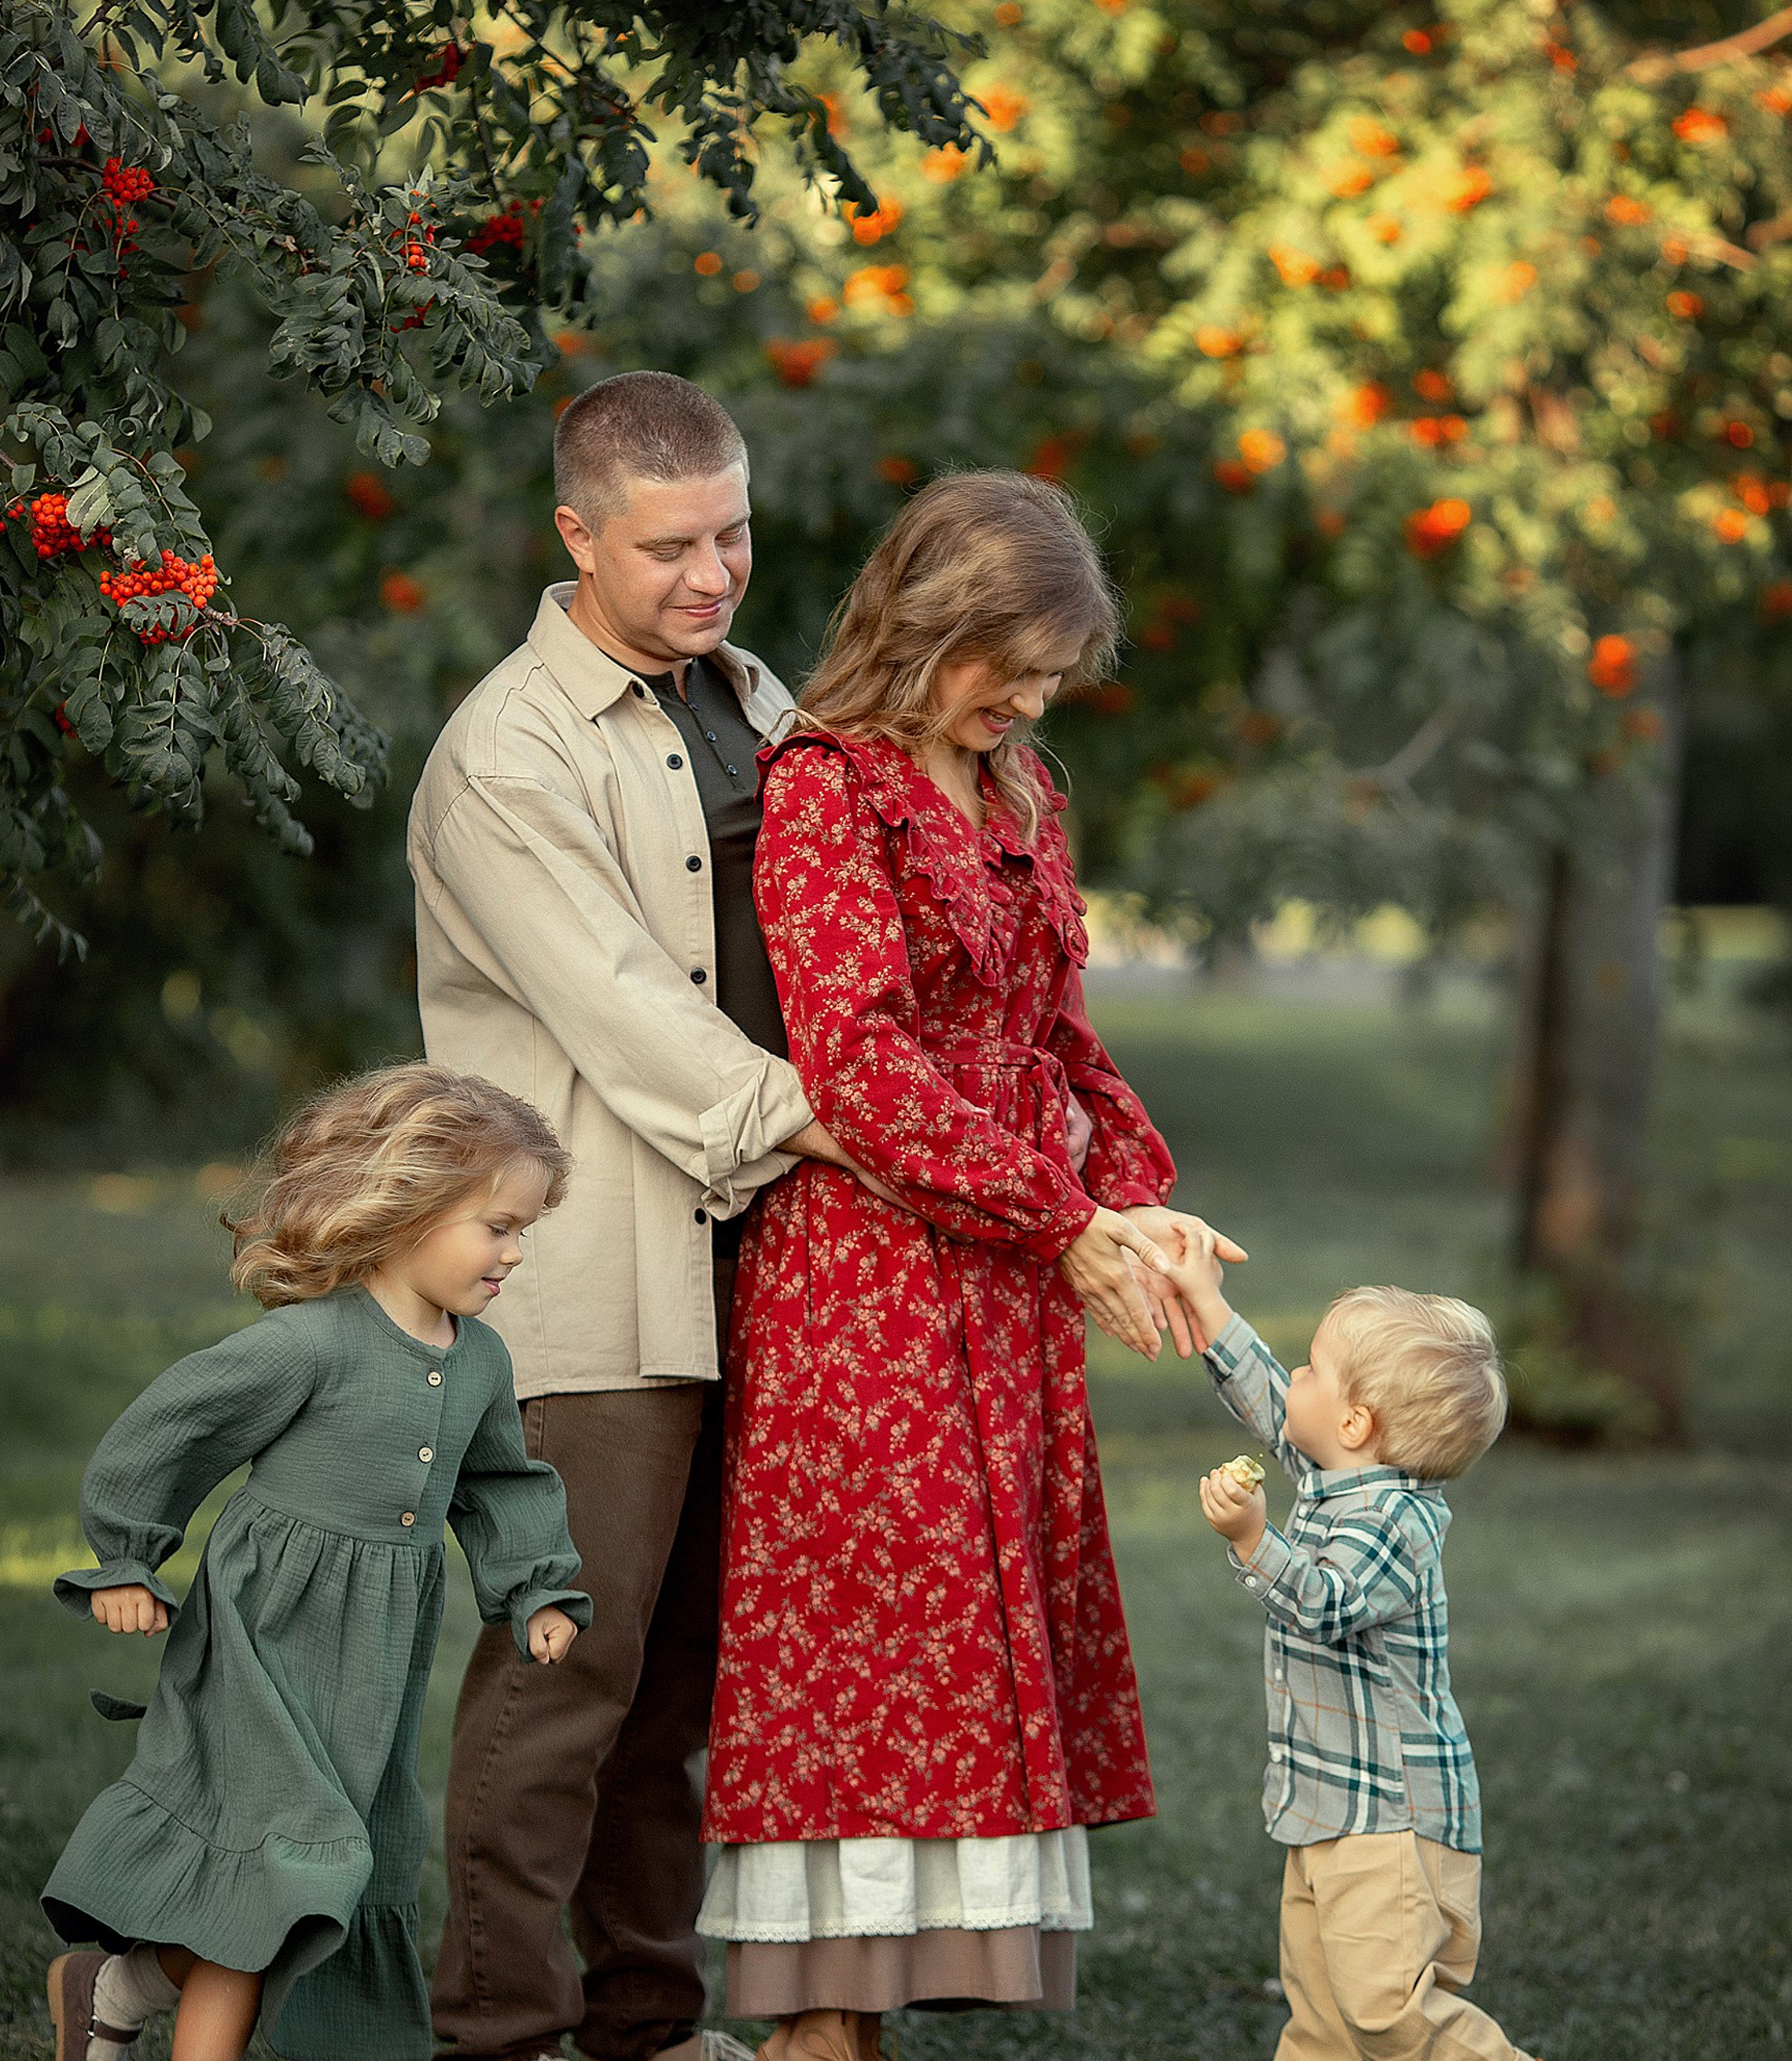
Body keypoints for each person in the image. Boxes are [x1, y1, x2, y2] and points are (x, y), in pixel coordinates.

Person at [697, 470, 1243, 2061]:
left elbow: (1060, 1034)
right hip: (866, 1273)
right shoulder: (826, 787)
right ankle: (813, 2026)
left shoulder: (1023, 791)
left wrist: (1137, 1203)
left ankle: (861, 2024)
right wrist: (1062, 1220)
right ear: (924, 620)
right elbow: (856, 1067)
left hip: (1006, 1273)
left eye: (1049, 672)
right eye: (1003, 660)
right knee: (872, 1643)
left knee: (965, 1637)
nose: (1025, 695)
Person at [409, 370, 872, 2061]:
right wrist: (849, 1124)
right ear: (574, 535)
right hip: (594, 1275)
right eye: (668, 544)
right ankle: (498, 2031)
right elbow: (623, 1010)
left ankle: (647, 2019)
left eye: (733, 532)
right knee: (565, 1677)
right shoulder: (503, 754)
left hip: (766, 1257)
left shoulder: (752, 699)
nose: (711, 572)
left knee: (683, 1677)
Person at [39, 1064, 591, 2061]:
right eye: (497, 1226)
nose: (514, 1253)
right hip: (262, 1643)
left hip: (370, 1669)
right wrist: (125, 1561)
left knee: (319, 1880)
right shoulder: (309, 1346)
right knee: (277, 1879)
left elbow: (504, 1483)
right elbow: (171, 1431)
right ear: (409, 1207)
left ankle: (114, 1986)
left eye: (525, 1231)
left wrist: (537, 1585)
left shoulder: (480, 1362)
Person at [1167, 1225, 1538, 2061]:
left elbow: (1326, 1601)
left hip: (1392, 1824)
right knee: (1323, 2022)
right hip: (1327, 1812)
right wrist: (1207, 1303)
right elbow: (1273, 1399)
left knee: (1385, 2016)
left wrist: (1254, 1539)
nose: (1292, 1375)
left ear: (1355, 1419)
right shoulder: (1339, 1474)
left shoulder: (1398, 1522)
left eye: (1311, 1366)